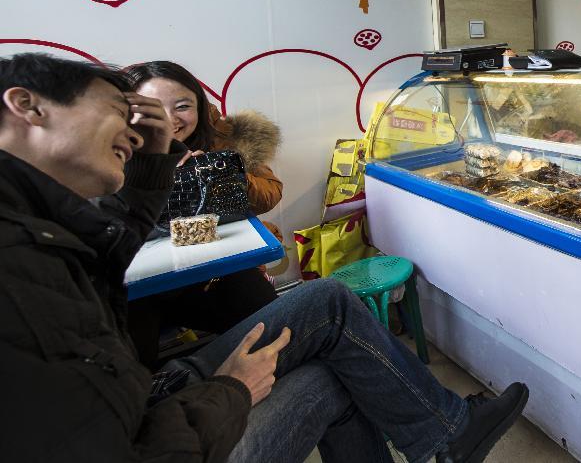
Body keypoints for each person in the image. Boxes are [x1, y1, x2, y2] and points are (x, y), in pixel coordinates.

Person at [0, 53, 529, 462]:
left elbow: (122, 242)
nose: (138, 126)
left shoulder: (38, 215)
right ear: (25, 105)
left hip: (154, 384)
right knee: (328, 354)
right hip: (156, 416)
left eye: (176, 108)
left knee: (320, 305)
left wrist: (159, 165)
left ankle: (446, 433)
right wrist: (230, 390)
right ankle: (448, 433)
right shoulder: (19, 260)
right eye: (125, 110)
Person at [125, 61, 282, 367]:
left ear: (199, 106)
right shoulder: (111, 150)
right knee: (132, 360)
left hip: (207, 270)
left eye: (182, 106)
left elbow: (271, 192)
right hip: (139, 284)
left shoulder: (218, 136)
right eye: (153, 108)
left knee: (268, 322)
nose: (170, 118)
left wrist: (221, 175)